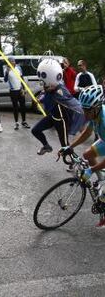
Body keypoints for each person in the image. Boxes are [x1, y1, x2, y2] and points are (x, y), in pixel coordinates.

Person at [58, 85, 105, 227]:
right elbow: (87, 133)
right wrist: (70, 146)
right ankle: (101, 179)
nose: (84, 113)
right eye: (82, 109)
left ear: (96, 107)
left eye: (87, 110)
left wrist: (91, 170)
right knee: (87, 154)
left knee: (103, 197)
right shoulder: (94, 113)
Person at [31, 58, 84, 155]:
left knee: (65, 146)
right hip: (51, 117)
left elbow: (68, 97)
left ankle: (74, 162)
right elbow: (45, 95)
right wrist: (39, 99)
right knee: (35, 130)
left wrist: (54, 90)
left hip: (61, 120)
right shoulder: (47, 86)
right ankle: (46, 146)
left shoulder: (60, 88)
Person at [4, 57, 30, 130]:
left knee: (23, 106)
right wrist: (7, 72)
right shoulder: (6, 69)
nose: (13, 62)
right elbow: (5, 80)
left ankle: (24, 121)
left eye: (13, 61)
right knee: (15, 107)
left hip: (20, 90)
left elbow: (22, 79)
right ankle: (16, 123)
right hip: (13, 91)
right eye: (11, 61)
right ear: (8, 63)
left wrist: (24, 89)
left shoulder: (18, 68)